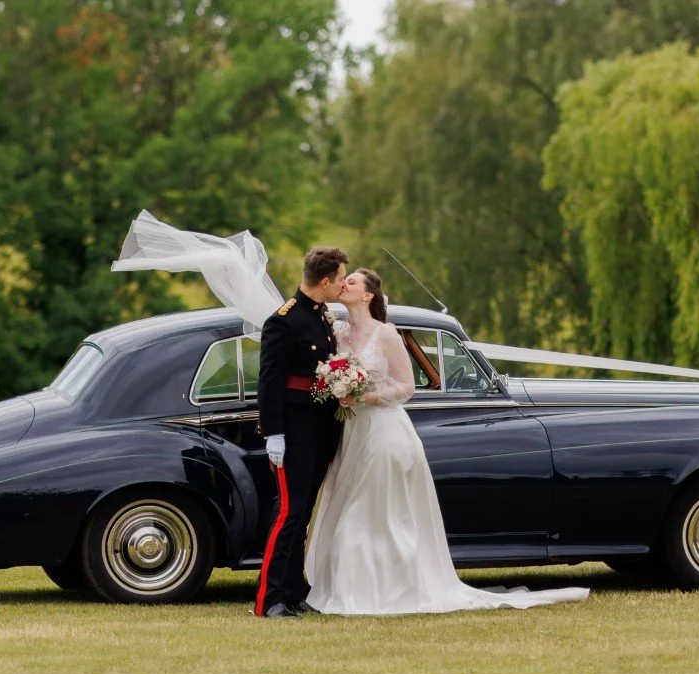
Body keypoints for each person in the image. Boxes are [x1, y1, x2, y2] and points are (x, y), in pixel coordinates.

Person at [303, 269, 590, 615]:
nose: (343, 283)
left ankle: (385, 589)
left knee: (378, 511)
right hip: (351, 433)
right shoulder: (338, 331)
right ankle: (348, 588)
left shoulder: (387, 334)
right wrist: (338, 387)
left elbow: (406, 387)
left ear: (367, 296)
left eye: (352, 282)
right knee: (349, 504)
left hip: (384, 432)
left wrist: (364, 397)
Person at [252, 247, 349, 619]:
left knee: (303, 512)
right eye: (341, 277)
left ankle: (293, 590)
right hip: (292, 433)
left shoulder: (320, 316)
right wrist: (273, 433)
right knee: (288, 514)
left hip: (320, 430)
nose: (342, 283)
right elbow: (270, 382)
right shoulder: (284, 320)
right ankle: (269, 599)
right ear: (325, 281)